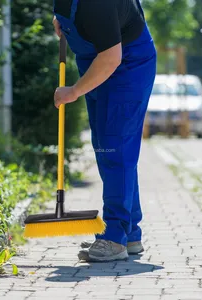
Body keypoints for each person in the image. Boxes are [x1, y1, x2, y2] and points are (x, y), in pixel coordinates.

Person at [53, 0, 156, 262]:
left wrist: (74, 91)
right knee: (105, 147)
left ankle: (114, 237)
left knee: (115, 149)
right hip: (97, 63)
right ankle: (129, 234)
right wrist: (64, 21)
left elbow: (111, 57)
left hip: (126, 65)